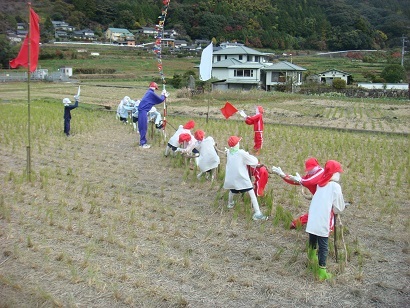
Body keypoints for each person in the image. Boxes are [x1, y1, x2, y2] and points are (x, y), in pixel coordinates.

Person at [306, 160, 345, 281]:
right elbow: (338, 207)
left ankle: (311, 255)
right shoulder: (335, 186)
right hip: (323, 218)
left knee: (313, 235)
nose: (339, 174)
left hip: (313, 215)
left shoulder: (320, 183)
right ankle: (322, 271)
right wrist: (338, 208)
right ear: (333, 173)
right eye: (338, 172)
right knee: (323, 245)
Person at [271, 157, 324, 228]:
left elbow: (310, 181)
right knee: (314, 214)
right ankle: (296, 224)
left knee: (323, 214)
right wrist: (282, 175)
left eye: (312, 168)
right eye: (309, 169)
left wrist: (300, 181)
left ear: (317, 166)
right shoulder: (309, 176)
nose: (310, 171)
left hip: (326, 198)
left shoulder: (321, 171)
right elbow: (295, 181)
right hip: (318, 199)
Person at [223, 136, 267, 221]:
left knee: (232, 190)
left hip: (231, 178)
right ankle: (257, 213)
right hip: (241, 178)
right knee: (251, 192)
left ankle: (230, 203)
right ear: (237, 144)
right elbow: (254, 161)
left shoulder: (229, 152)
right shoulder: (241, 153)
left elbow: (227, 151)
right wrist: (248, 156)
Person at [137, 82, 169, 149]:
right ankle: (143, 143)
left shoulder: (148, 92)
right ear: (155, 87)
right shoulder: (151, 93)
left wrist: (163, 95)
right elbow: (160, 100)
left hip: (142, 111)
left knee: (142, 127)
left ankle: (142, 142)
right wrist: (164, 95)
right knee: (143, 128)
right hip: (143, 111)